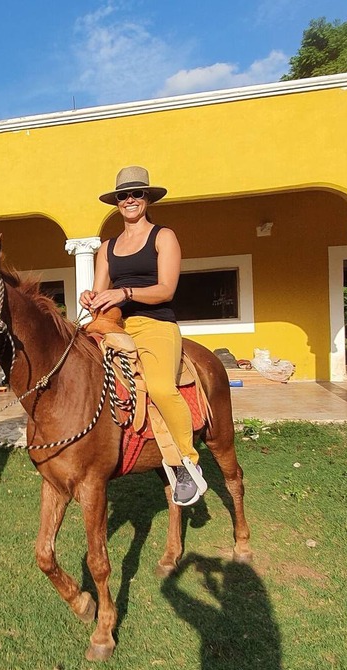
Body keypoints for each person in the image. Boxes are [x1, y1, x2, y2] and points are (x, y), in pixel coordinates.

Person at [80, 166, 208, 506]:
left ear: (147, 198)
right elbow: (99, 292)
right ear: (117, 202)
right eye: (123, 195)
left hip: (155, 324)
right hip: (115, 325)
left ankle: (186, 463)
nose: (130, 200)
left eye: (137, 193)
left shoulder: (163, 236)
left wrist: (125, 294)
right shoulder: (106, 248)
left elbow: (166, 290)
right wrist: (91, 299)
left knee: (162, 388)